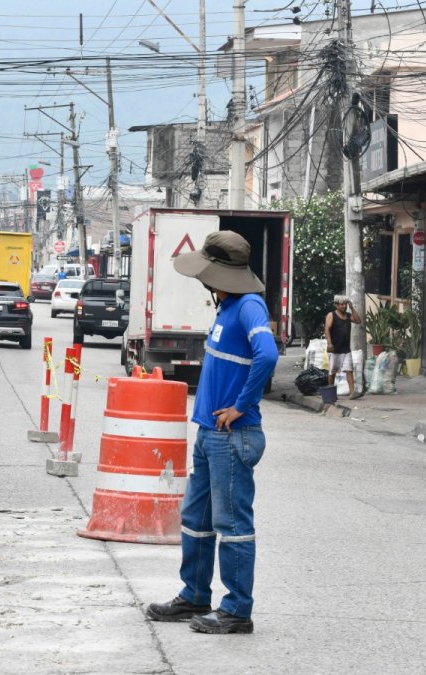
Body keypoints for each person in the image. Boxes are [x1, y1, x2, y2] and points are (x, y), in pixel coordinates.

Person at [144, 230, 278, 635]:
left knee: (232, 524)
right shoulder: (228, 306)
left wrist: (241, 405)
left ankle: (236, 610)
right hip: (209, 433)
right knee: (196, 519)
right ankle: (195, 595)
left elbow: (267, 354)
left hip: (231, 435)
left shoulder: (249, 305)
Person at [325, 294, 363, 399]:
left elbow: (358, 321)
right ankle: (330, 393)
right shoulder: (331, 315)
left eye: (345, 304)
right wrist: (329, 343)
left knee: (349, 370)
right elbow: (327, 329)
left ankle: (352, 393)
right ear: (336, 305)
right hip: (335, 349)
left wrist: (352, 308)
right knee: (332, 371)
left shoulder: (348, 315)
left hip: (346, 349)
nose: (344, 306)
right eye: (342, 304)